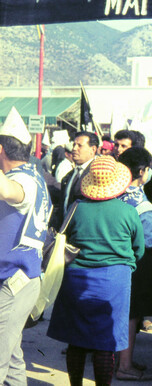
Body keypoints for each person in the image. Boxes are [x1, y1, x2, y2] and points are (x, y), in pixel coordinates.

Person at [47, 156, 145, 386]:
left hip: (76, 279)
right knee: (105, 342)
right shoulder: (128, 212)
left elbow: (64, 238)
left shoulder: (77, 207)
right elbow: (139, 250)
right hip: (114, 281)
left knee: (76, 339)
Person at [0, 108, 52, 384]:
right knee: (12, 361)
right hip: (18, 280)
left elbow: (9, 192)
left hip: (13, 282)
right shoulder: (32, 175)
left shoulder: (24, 181)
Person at [115, 147, 152, 381]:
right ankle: (125, 365)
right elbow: (149, 239)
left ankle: (117, 360)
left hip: (110, 261)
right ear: (142, 171)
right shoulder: (141, 203)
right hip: (135, 262)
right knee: (131, 315)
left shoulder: (109, 192)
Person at [53, 131, 98, 229]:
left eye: (79, 146)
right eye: (74, 145)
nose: (74, 149)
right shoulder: (71, 174)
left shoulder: (96, 174)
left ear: (93, 149)